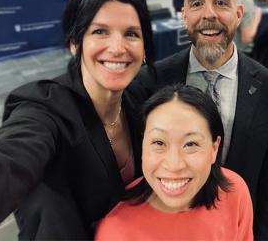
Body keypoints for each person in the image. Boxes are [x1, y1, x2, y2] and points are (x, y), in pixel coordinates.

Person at [0, 0, 155, 240]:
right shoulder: (44, 106)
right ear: (75, 43)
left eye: (131, 34)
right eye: (100, 32)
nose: (118, 48)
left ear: (144, 50)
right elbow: (9, 158)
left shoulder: (139, 101)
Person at [137, 0, 268, 239]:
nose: (209, 14)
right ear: (184, 16)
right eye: (196, 3)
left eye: (220, 2)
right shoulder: (150, 82)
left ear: (239, 14)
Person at [96, 84, 253, 240]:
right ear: (143, 146)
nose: (174, 165)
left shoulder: (234, 192)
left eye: (191, 144)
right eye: (159, 143)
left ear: (214, 149)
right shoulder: (115, 232)